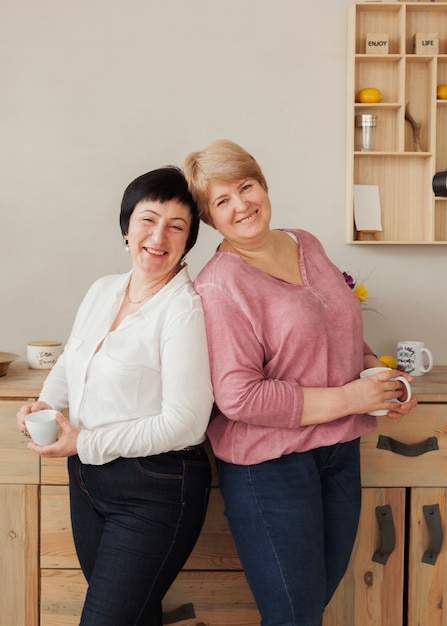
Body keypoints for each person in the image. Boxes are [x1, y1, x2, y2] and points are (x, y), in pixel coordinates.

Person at [182, 139, 417, 626]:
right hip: (271, 466)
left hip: (339, 450)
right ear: (210, 219)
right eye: (222, 201)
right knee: (295, 618)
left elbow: (337, 328)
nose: (241, 205)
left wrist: (378, 375)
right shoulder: (220, 285)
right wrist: (352, 397)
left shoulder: (304, 242)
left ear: (263, 185)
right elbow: (239, 396)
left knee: (311, 606)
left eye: (246, 187)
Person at [17, 166, 213, 626]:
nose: (158, 235)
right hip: (88, 482)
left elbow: (186, 423)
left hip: (156, 488)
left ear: (188, 241)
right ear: (126, 226)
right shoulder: (103, 289)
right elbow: (71, 361)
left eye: (176, 226)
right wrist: (47, 403)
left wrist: (82, 442)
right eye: (148, 219)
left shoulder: (184, 310)